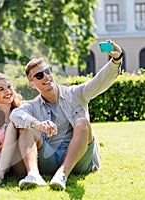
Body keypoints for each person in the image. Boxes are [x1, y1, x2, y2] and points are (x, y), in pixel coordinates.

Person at [9, 40, 123, 190]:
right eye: (39, 75)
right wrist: (38, 124)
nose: (46, 77)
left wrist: (116, 60)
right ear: (31, 83)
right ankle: (34, 175)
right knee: (25, 127)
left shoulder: (75, 93)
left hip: (80, 158)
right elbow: (16, 115)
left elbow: (99, 82)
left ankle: (62, 175)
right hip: (49, 158)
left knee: (82, 122)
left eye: (48, 71)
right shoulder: (32, 105)